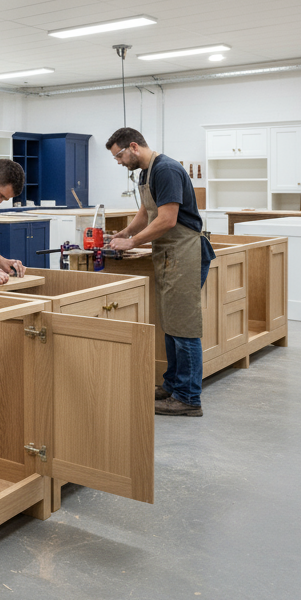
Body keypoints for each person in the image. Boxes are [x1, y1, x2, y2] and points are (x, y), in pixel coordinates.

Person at [105, 127, 215, 417]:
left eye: (118, 155)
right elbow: (147, 212)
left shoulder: (166, 169)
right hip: (168, 253)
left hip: (185, 251)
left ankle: (189, 398)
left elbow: (167, 219)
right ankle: (172, 386)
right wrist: (123, 233)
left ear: (133, 147)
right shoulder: (146, 172)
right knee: (170, 322)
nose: (118, 162)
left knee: (185, 327)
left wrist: (132, 242)